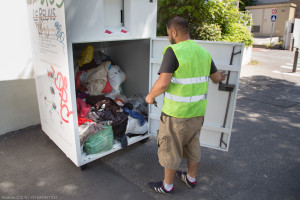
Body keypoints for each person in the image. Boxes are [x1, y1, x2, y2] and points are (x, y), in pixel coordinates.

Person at [145, 16, 226, 195]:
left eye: (168, 34)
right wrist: (222, 76)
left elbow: (163, 83)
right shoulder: (203, 52)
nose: (168, 38)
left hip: (176, 114)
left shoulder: (173, 51)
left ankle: (167, 186)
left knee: (170, 149)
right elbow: (216, 78)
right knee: (193, 145)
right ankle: (190, 178)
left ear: (174, 32)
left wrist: (150, 97)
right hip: (197, 113)